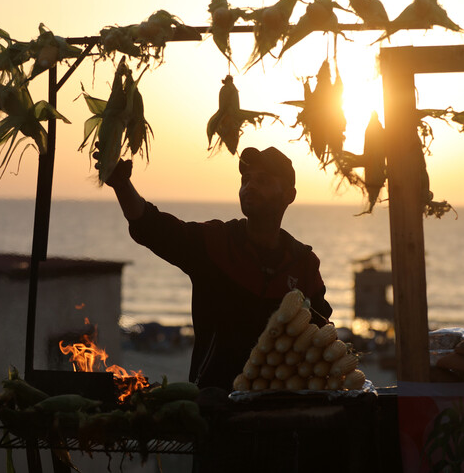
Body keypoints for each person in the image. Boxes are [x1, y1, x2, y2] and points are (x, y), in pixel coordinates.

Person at [97, 146, 332, 390]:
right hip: (214, 403)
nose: (249, 186)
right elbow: (152, 227)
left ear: (289, 195)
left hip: (280, 405)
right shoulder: (217, 242)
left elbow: (319, 338)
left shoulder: (303, 263)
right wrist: (122, 185)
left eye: (262, 180)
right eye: (245, 180)